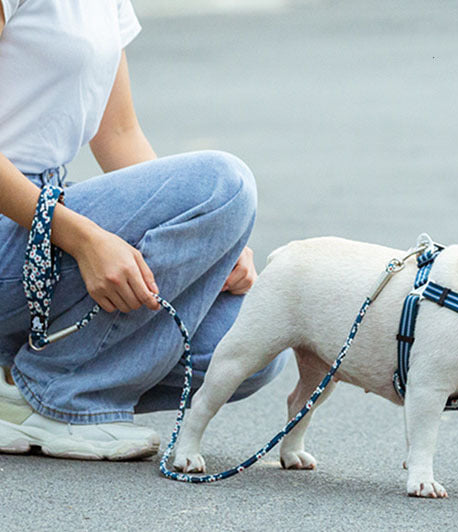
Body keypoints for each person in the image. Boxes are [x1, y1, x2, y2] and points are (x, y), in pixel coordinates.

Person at [0, 0, 289, 461]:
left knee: (246, 351)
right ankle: (58, 399)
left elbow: (118, 134)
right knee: (223, 182)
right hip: (17, 222)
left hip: (42, 214)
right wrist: (83, 238)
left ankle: (16, 378)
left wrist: (208, 240)